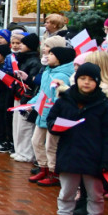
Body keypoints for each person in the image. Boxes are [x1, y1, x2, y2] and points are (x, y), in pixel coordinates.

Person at [45, 62, 108, 215]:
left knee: (95, 194)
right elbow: (51, 120)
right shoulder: (65, 99)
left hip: (93, 156)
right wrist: (56, 126)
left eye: (90, 80)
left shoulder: (104, 105)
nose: (86, 83)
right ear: (76, 80)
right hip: (69, 154)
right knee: (67, 192)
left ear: (97, 82)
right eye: (82, 79)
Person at [28, 46, 76, 186]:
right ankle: (43, 167)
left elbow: (59, 98)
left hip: (52, 116)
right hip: (42, 113)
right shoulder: (47, 72)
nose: (47, 56)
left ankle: (53, 172)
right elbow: (42, 93)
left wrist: (54, 110)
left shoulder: (61, 76)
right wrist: (30, 104)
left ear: (61, 58)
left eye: (52, 54)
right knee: (36, 141)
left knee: (51, 146)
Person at [10, 33, 43, 162]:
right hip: (18, 94)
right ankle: (19, 149)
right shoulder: (22, 58)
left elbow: (31, 81)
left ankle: (26, 153)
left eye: (22, 44)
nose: (19, 46)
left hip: (26, 96)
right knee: (17, 124)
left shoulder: (34, 61)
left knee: (25, 126)